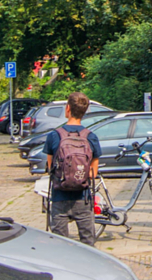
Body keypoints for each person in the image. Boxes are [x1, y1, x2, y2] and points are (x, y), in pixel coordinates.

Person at [44, 92, 102, 245]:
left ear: (67, 108)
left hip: (59, 197)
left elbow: (51, 168)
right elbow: (93, 173)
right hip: (82, 198)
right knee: (88, 243)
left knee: (60, 245)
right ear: (86, 111)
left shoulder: (54, 136)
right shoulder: (91, 137)